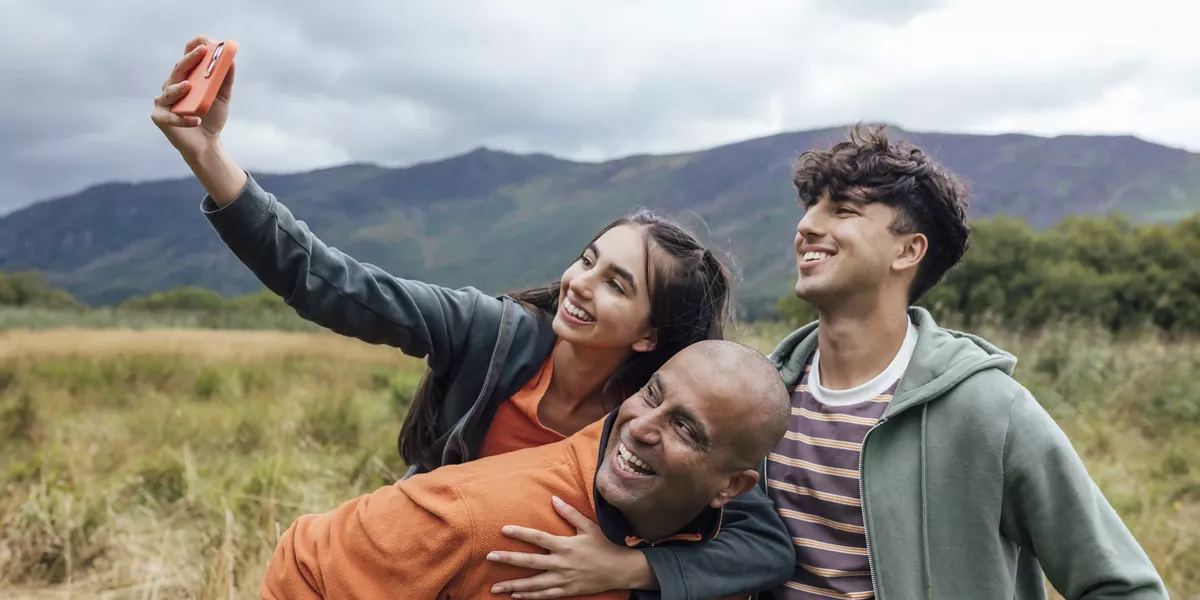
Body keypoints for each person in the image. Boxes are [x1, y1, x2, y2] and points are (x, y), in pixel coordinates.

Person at [150, 36, 793, 599]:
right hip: (432, 563)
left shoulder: (657, 418)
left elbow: (762, 545)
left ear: (651, 333)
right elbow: (328, 282)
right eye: (588, 259)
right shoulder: (492, 332)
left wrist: (630, 571)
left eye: (616, 284)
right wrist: (205, 153)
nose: (579, 283)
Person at [762, 124, 1168, 599]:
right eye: (811, 208)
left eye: (843, 211)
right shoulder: (762, 395)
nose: (807, 225)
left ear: (908, 250)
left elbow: (1124, 586)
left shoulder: (989, 409)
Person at [260, 340, 792, 600]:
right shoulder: (481, 515)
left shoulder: (709, 537)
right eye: (650, 394)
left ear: (731, 486)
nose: (640, 426)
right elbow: (305, 562)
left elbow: (772, 551)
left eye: (685, 429)